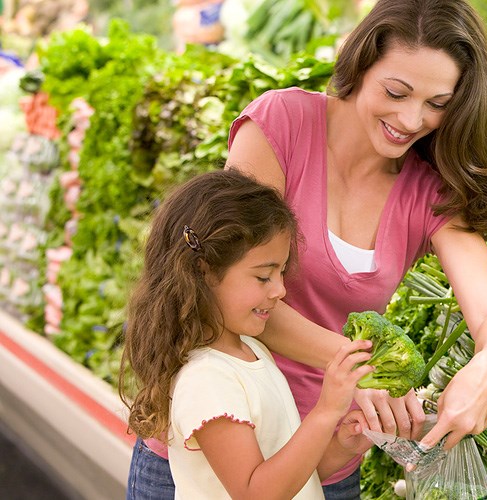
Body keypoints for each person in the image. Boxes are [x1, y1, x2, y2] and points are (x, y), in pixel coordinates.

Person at [226, 0, 487, 497]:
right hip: (221, 434)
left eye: (437, 104)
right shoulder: (281, 124)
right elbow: (233, 290)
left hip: (325, 460)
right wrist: (362, 368)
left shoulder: (429, 189)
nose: (411, 119)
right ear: (360, 63)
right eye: (397, 91)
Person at [119, 169, 375, 499]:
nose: (280, 290)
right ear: (205, 271)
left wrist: (340, 446)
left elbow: (290, 478)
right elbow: (257, 493)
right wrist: (326, 412)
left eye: (281, 273)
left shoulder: (250, 351)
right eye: (263, 277)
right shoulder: (207, 381)